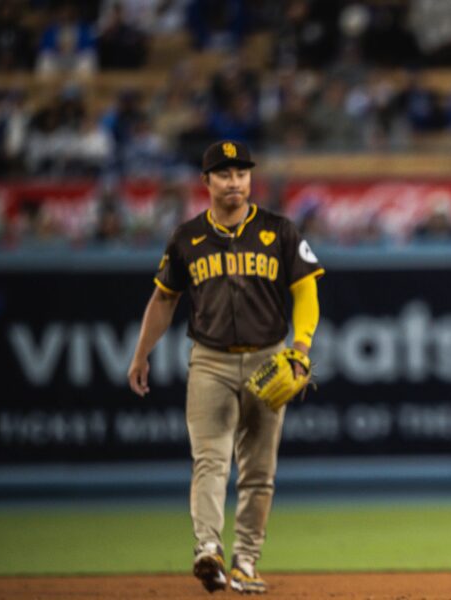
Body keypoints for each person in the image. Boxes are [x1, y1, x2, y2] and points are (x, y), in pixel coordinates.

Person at [127, 140, 324, 594]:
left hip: (268, 357)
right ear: (207, 182)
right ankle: (208, 552)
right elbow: (163, 299)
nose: (234, 182)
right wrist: (141, 354)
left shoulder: (280, 230)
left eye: (241, 173)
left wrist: (300, 347)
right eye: (224, 174)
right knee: (210, 460)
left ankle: (246, 563)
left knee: (258, 472)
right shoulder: (187, 237)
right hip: (210, 361)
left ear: (249, 179)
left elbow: (306, 289)